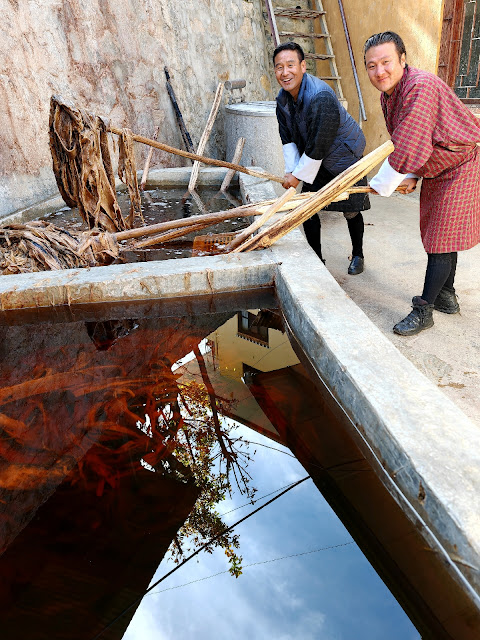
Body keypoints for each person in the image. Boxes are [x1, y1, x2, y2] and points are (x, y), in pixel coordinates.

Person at [365, 31, 480, 336]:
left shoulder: (419, 86)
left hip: (461, 163)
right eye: (371, 66)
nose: (380, 72)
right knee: (439, 233)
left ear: (402, 60)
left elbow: (408, 143)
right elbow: (413, 136)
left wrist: (384, 182)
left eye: (386, 62)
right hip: (438, 166)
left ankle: (424, 309)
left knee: (441, 237)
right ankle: (446, 295)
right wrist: (412, 174)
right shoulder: (388, 94)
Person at [274, 42, 370, 275]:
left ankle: (358, 254)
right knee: (308, 207)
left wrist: (296, 177)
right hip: (316, 156)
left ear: (303, 66)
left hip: (343, 156)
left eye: (290, 65)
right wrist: (291, 171)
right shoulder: (283, 100)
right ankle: (316, 258)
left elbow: (320, 144)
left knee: (351, 209)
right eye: (279, 67)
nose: (285, 72)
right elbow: (287, 138)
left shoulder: (320, 96)